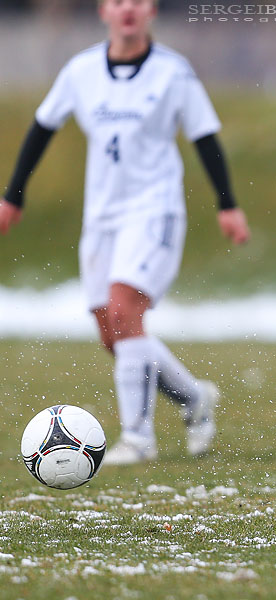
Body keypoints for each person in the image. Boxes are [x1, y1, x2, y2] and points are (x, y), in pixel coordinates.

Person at [0, 0, 250, 464]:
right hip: (102, 217)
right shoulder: (81, 71)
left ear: (151, 9)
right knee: (112, 332)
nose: (128, 8)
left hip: (155, 211)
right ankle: (195, 398)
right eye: (118, 1)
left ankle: (138, 439)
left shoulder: (174, 73)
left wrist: (227, 205)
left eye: (137, 0)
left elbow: (205, 137)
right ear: (104, 11)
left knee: (124, 312)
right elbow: (41, 127)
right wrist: (13, 195)